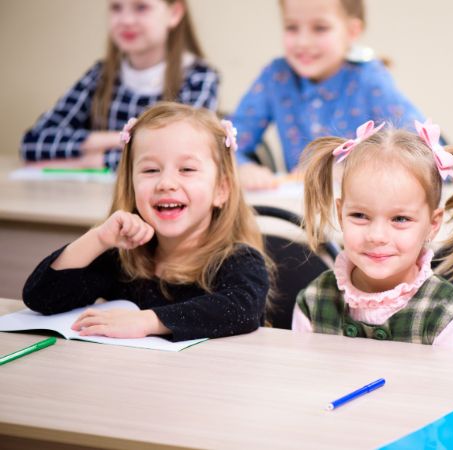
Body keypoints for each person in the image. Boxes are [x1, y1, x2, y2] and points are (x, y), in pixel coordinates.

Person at [23, 102, 269, 341]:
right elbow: (41, 297)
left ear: (221, 190)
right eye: (150, 170)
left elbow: (240, 309)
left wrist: (146, 321)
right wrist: (97, 239)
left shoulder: (239, 261)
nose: (166, 183)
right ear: (131, 184)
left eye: (187, 170)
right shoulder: (124, 259)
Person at [292, 119, 453, 348]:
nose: (377, 236)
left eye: (400, 219)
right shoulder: (312, 302)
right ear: (340, 213)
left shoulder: (447, 317)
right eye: (359, 215)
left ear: (433, 224)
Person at [230, 0, 426, 190]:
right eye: (291, 27)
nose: (303, 42)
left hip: (362, 213)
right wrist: (242, 167)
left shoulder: (369, 79)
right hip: (298, 211)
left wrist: (354, 170)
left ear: (352, 31)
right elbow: (226, 141)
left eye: (320, 28)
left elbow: (424, 152)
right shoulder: (276, 76)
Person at [20, 0, 218, 170]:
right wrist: (122, 138)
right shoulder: (101, 75)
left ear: (174, 13)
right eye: (116, 7)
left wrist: (89, 160)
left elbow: (177, 153)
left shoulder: (199, 78)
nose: (126, 20)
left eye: (141, 7)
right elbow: (32, 143)